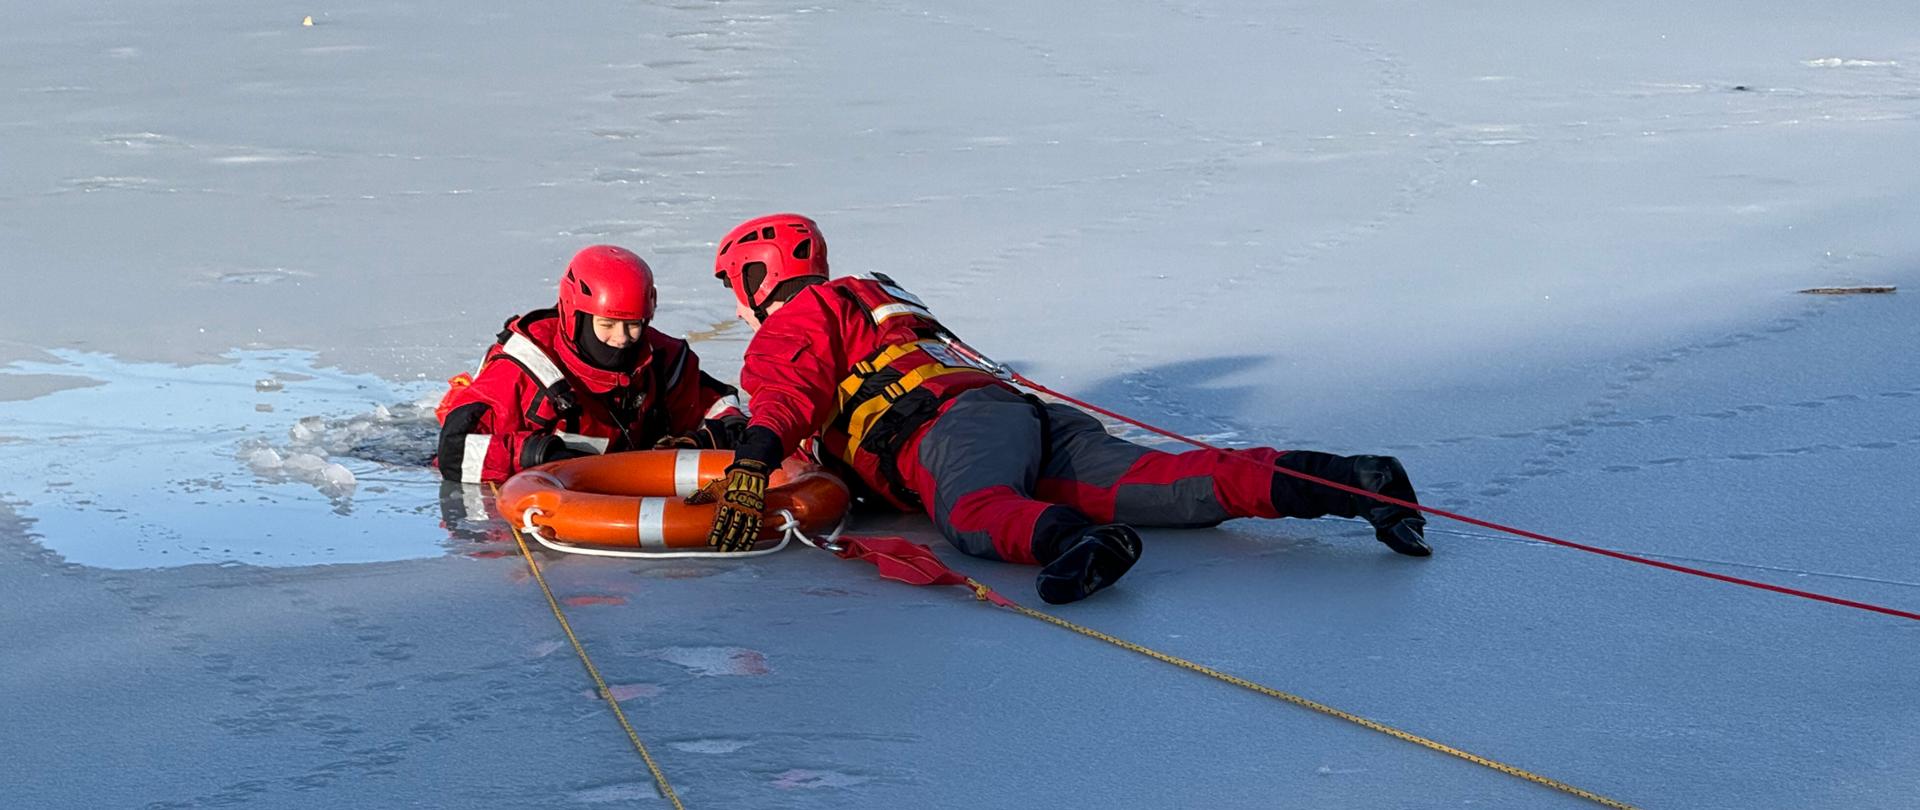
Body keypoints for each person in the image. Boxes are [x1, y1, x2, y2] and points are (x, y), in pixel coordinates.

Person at [691, 214, 1429, 604]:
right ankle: (1353, 480)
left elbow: (787, 395)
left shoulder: (796, 321)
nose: (740, 304)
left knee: (976, 513)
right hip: (1021, 416)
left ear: (755, 278)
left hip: (950, 431)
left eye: (736, 286)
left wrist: (752, 463)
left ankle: (1078, 542)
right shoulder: (873, 298)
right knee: (1171, 483)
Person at [435, 245, 746, 484]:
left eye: (633, 325)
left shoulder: (663, 363)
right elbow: (455, 452)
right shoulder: (524, 368)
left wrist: (703, 440)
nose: (622, 338)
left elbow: (723, 409)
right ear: (577, 317)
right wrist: (536, 453)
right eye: (607, 325)